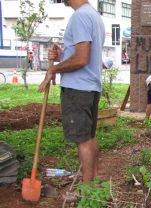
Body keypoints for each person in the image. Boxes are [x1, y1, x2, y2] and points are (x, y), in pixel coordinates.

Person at [39, 0, 105, 188]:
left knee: (82, 140)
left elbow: (82, 58)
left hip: (78, 89)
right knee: (89, 137)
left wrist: (54, 69)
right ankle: (92, 185)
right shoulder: (93, 15)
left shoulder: (80, 16)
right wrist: (64, 57)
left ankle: (86, 191)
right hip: (90, 87)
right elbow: (86, 55)